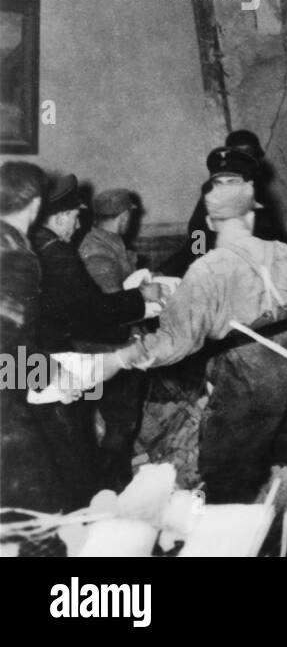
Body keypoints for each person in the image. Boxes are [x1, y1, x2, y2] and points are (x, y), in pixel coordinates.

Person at [98, 177, 287, 556]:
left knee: (226, 478)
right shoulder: (282, 253)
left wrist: (123, 357)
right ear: (251, 216)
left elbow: (175, 343)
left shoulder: (208, 270)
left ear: (212, 222)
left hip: (248, 368)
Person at [30, 176, 162, 504]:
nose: (77, 224)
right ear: (60, 217)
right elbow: (92, 313)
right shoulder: (58, 253)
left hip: (49, 364)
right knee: (94, 434)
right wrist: (136, 316)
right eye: (75, 216)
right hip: (70, 359)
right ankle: (104, 493)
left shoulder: (36, 245)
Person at [0, 161, 74, 534]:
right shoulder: (16, 255)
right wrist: (57, 375)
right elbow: (8, 352)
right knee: (38, 515)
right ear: (34, 204)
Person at [78, 188, 151, 490]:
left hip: (102, 351)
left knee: (111, 420)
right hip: (108, 352)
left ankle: (111, 476)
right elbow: (110, 310)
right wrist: (135, 336)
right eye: (130, 215)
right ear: (123, 216)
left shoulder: (106, 242)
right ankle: (113, 483)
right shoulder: (99, 255)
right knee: (119, 420)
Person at [161, 132, 285, 276]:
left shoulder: (260, 195)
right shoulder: (212, 191)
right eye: (238, 153)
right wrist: (200, 257)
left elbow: (272, 239)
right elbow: (198, 229)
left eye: (249, 153)